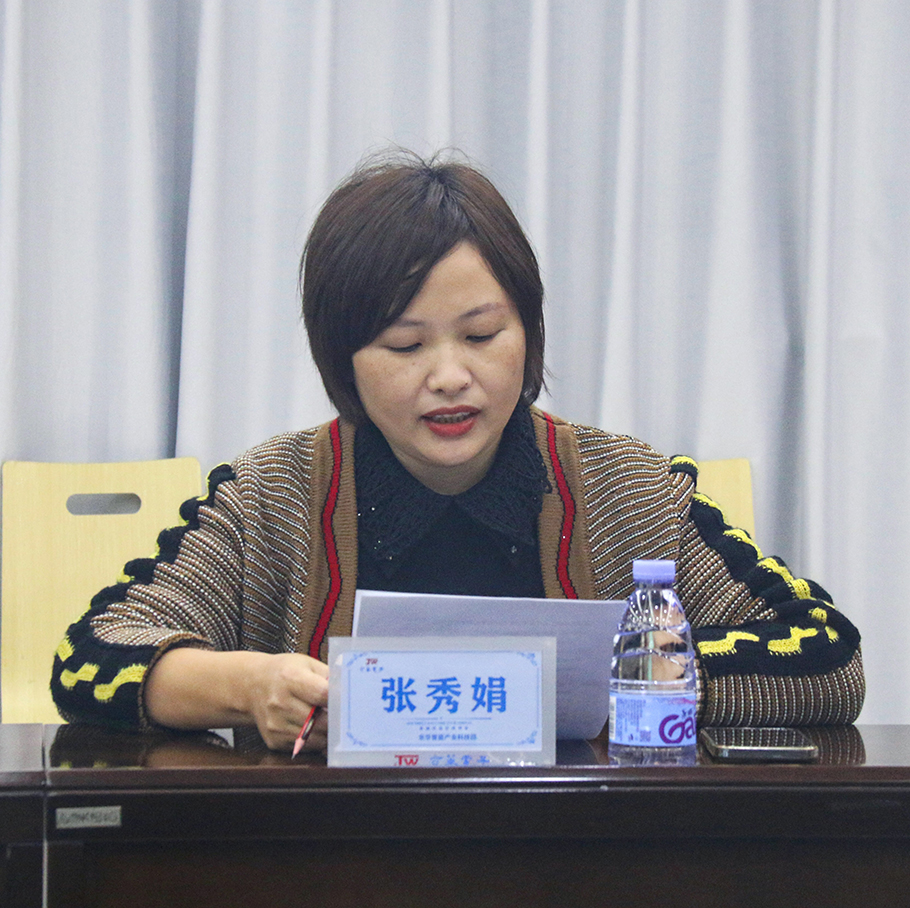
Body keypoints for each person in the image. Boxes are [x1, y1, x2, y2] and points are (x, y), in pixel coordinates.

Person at [51, 151, 864, 751]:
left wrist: (631, 675)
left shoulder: (629, 488)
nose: (449, 377)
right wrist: (249, 685)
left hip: (579, 859)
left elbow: (828, 656)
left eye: (481, 335)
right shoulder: (272, 496)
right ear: (343, 361)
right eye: (405, 346)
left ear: (528, 332)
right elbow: (91, 656)